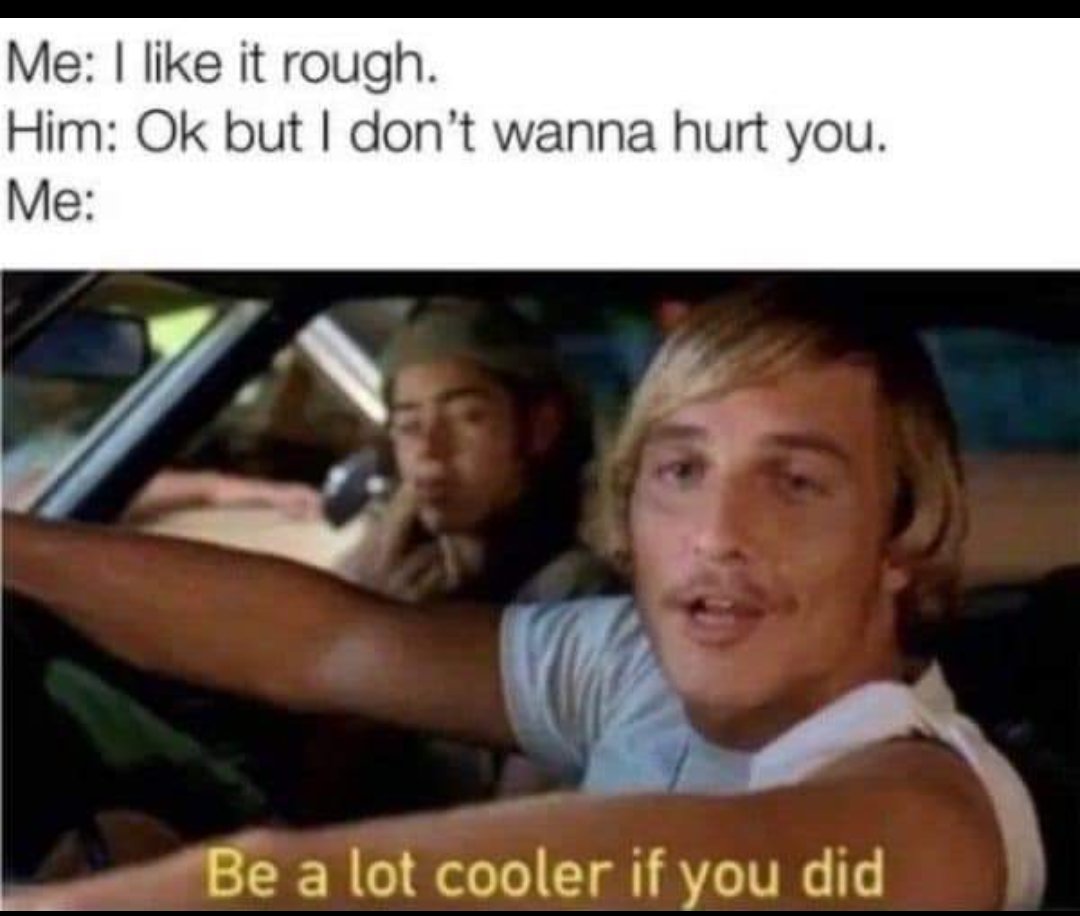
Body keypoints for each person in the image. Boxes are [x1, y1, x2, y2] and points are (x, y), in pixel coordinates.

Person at [3, 281, 1044, 908]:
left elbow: (724, 864)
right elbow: (329, 642)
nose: (718, 533)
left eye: (797, 481)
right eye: (681, 471)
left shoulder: (934, 809)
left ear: (901, 538)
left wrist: (223, 887)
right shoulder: (633, 661)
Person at [335, 297, 612, 605]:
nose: (429, 450)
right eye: (409, 425)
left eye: (467, 418)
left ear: (540, 428)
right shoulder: (391, 565)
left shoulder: (574, 590)